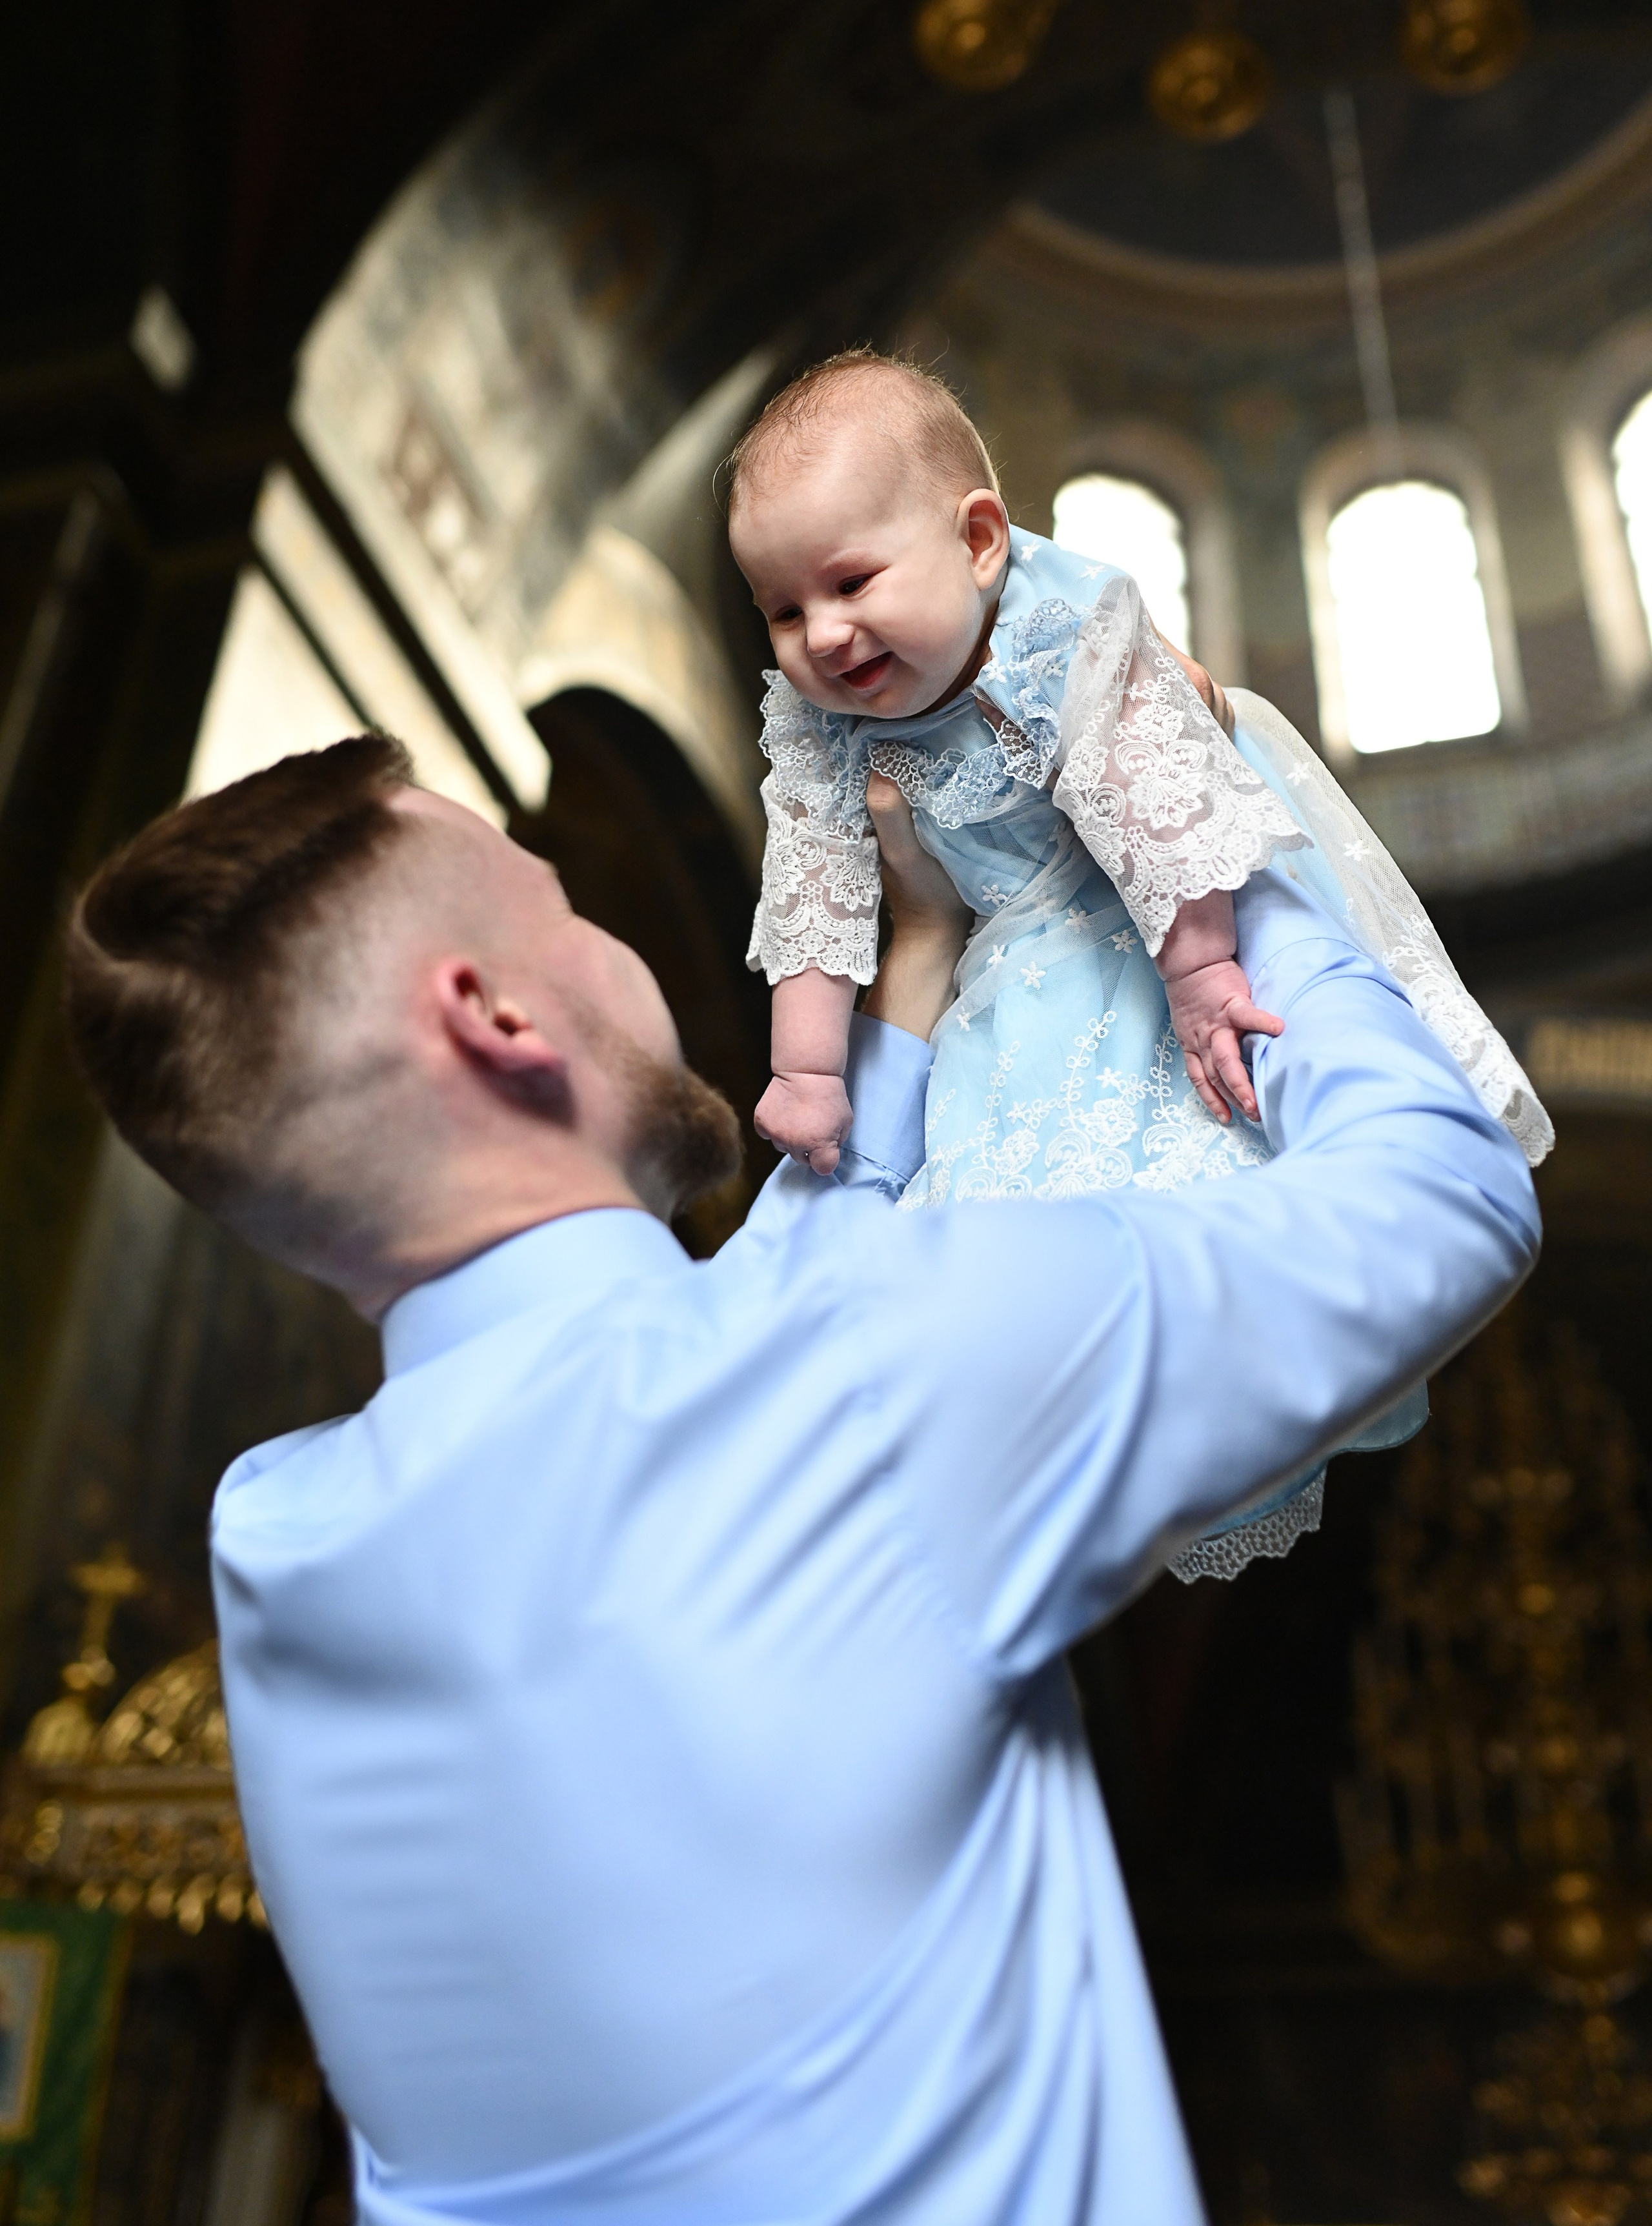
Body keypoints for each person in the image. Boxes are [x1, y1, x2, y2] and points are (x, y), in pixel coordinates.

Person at [60, 732, 1539, 2226]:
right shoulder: (874, 1365)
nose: (609, 942)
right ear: (493, 1011)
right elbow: (1443, 1195)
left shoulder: (283, 1539)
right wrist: (1200, 841)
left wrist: (916, 957)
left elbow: (735, 1375)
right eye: (565, 907)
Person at [729, 349, 1552, 1575]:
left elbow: (1154, 800)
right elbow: (811, 893)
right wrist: (810, 1071)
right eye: (786, 611)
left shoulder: (1064, 626)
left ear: (982, 541)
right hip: (1007, 967)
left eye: (851, 582)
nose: (825, 636)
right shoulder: (820, 723)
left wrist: (1203, 970)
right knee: (1018, 1185)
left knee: (1190, 1127)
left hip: (1149, 907)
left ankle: (1213, 1338)